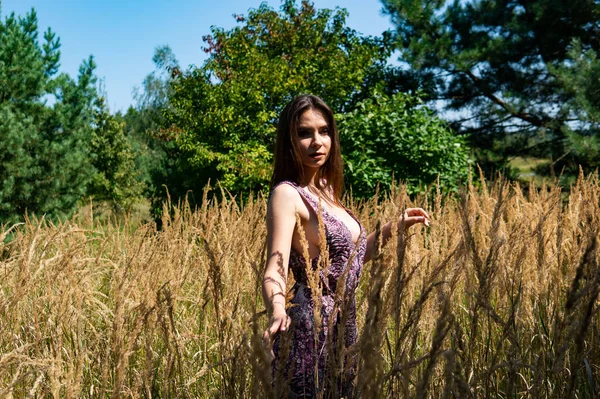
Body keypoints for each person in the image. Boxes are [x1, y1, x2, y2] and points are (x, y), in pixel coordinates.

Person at [262, 94, 430, 397]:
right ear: (289, 139)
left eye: (324, 131)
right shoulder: (287, 195)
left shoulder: (325, 188)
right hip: (310, 331)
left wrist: (395, 227)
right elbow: (275, 267)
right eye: (304, 133)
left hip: (343, 328)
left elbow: (349, 259)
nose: (317, 141)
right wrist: (276, 309)